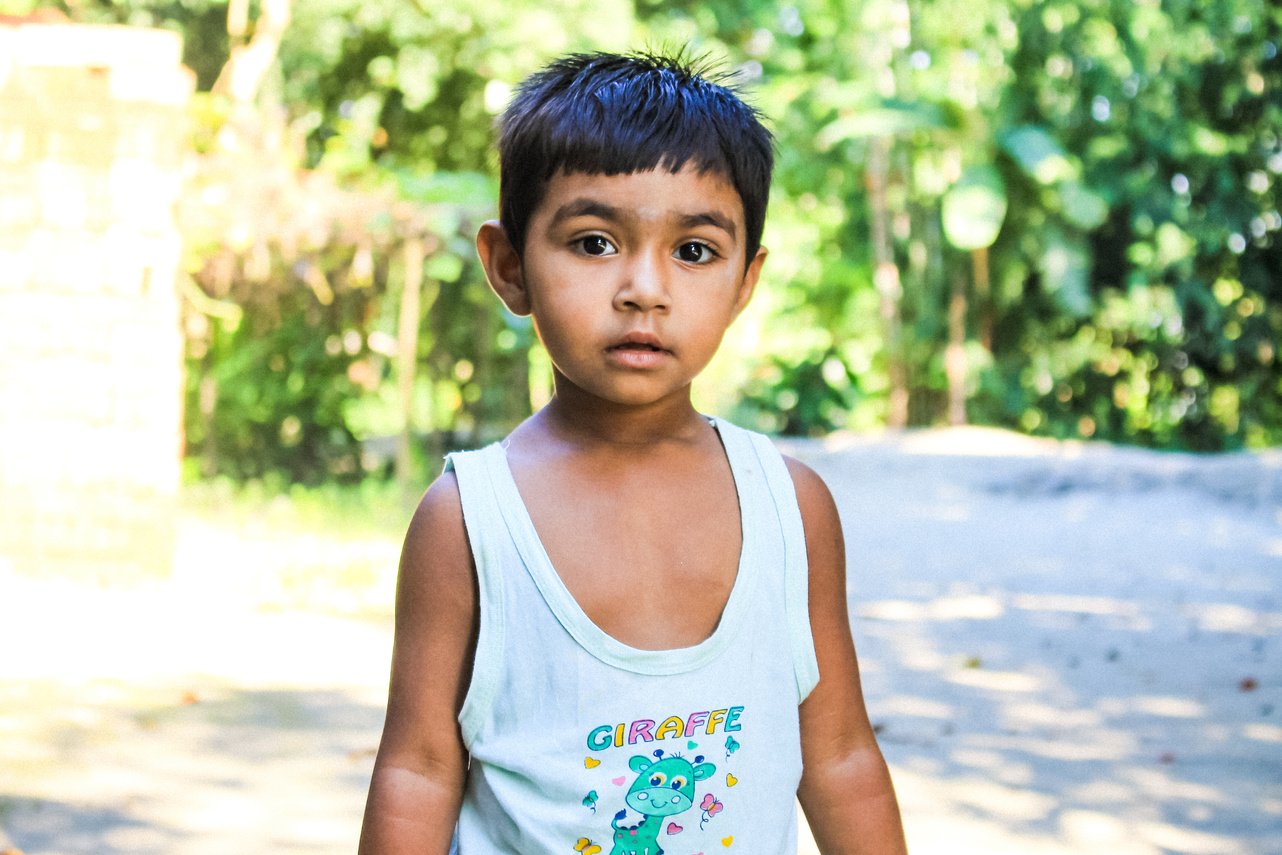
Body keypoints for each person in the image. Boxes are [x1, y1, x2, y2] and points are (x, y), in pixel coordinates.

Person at [358, 51, 907, 855]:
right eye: (592, 242)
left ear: (745, 281)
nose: (645, 288)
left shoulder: (791, 508)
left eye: (693, 251)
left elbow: (840, 757)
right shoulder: (469, 522)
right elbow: (419, 769)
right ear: (509, 267)